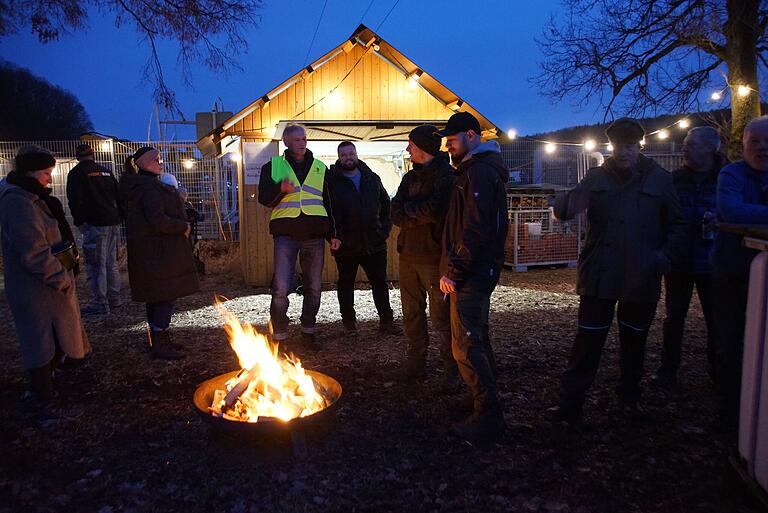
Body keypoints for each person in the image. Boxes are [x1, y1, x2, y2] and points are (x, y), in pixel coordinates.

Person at [551, 118, 686, 424]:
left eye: (629, 146)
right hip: (600, 274)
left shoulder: (660, 180)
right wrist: (567, 203)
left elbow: (678, 224)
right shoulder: (597, 177)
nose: (623, 152)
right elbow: (564, 207)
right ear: (610, 146)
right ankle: (571, 404)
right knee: (587, 341)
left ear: (639, 147)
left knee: (634, 340)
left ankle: (629, 398)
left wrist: (662, 256)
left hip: (641, 274)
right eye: (618, 146)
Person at [0, 145, 90, 420]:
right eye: (46, 173)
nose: (50, 179)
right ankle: (40, 394)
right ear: (30, 172)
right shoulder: (18, 202)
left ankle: (51, 381)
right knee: (40, 339)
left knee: (52, 335)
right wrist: (59, 276)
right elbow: (33, 251)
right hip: (37, 288)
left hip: (49, 285)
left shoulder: (32, 197)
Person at [437, 112, 509, 442]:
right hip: (478, 269)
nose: (448, 146)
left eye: (452, 140)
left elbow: (474, 228)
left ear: (471, 135)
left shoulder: (478, 172)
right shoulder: (473, 170)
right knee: (476, 337)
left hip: (473, 272)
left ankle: (488, 414)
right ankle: (482, 399)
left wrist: (454, 270)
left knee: (465, 344)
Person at [258, 124, 340, 349]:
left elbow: (330, 204)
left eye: (304, 139)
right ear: (285, 142)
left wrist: (333, 234)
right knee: (281, 289)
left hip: (314, 235)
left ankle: (308, 332)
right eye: (296, 139)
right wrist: (280, 190)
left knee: (314, 288)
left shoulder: (320, 168)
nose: (302, 142)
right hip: (285, 235)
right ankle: (280, 336)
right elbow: (264, 199)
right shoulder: (276, 166)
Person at [656, 127, 725, 387]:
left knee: (716, 321)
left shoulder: (725, 179)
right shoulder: (675, 180)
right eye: (685, 143)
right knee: (673, 318)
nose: (684, 148)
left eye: (691, 144)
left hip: (714, 263)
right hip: (680, 262)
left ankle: (719, 372)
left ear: (710, 148)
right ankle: (668, 371)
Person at [712, 115, 768, 430]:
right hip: (733, 273)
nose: (762, 148)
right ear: (743, 145)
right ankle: (732, 415)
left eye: (767, 142)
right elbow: (731, 210)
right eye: (755, 142)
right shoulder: (731, 175)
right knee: (730, 342)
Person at [120, 147, 199, 360]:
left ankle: (158, 340)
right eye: (156, 159)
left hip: (151, 252)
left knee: (156, 297)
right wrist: (182, 226)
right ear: (145, 163)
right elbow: (157, 219)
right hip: (161, 253)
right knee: (164, 296)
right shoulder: (149, 188)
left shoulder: (141, 186)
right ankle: (161, 343)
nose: (160, 162)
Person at [391, 125, 455, 384]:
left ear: (424, 148)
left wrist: (410, 213)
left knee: (441, 318)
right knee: (411, 315)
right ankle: (416, 364)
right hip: (408, 256)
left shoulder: (447, 177)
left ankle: (452, 369)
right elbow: (395, 212)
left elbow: (435, 211)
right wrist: (413, 214)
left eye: (411, 145)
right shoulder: (409, 179)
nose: (407, 149)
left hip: (432, 258)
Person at [328, 141, 401, 337]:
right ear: (339, 157)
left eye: (351, 153)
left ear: (356, 154)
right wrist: (334, 236)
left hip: (374, 243)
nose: (348, 157)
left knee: (379, 283)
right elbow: (328, 212)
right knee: (345, 284)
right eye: (343, 155)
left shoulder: (372, 178)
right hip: (346, 245)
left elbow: (387, 205)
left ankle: (387, 322)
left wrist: (384, 230)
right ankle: (349, 324)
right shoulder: (331, 182)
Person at [66, 143, 123, 316]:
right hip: (112, 221)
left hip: (94, 223)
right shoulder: (106, 172)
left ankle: (100, 303)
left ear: (77, 156)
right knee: (111, 262)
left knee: (96, 264)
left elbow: (74, 200)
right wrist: (119, 216)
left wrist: (80, 221)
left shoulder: (76, 174)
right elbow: (118, 196)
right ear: (93, 155)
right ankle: (115, 299)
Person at [179, 185, 205, 275]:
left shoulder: (183, 205)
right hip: (188, 232)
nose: (185, 196)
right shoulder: (185, 206)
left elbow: (199, 216)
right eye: (184, 194)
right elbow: (199, 216)